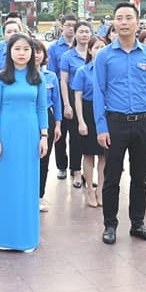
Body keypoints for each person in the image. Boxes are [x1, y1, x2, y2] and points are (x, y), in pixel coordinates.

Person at [93, 2, 146, 245]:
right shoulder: (104, 56)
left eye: (128, 17)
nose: (123, 22)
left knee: (140, 176)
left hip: (143, 122)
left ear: (137, 22)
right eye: (119, 17)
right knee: (112, 176)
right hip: (115, 122)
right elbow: (99, 92)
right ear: (113, 22)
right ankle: (110, 225)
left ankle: (138, 223)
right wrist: (101, 127)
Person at [0, 34, 48, 251]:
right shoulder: (1, 78)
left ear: (32, 53)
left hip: (30, 136)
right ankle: (5, 238)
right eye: (17, 49)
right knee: (8, 186)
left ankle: (26, 238)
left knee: (27, 186)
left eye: (26, 49)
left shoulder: (38, 78)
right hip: (7, 137)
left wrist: (44, 136)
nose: (21, 53)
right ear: (9, 52)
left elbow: (42, 108)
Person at [73, 36, 108, 208]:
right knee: (88, 154)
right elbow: (78, 98)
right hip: (88, 111)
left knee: (104, 155)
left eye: (103, 47)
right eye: (96, 47)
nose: (99, 50)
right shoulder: (83, 71)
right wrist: (80, 121)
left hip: (107, 112)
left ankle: (100, 190)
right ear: (90, 50)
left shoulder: (111, 69)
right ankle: (89, 190)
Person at [59, 21, 92, 188]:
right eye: (81, 31)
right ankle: (76, 171)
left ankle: (90, 173)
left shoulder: (95, 54)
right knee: (76, 137)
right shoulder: (68, 56)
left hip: (92, 99)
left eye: (87, 31)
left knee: (91, 136)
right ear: (76, 34)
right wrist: (66, 104)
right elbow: (63, 81)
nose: (84, 34)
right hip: (73, 97)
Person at [46, 14, 77, 181]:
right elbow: (51, 73)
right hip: (60, 92)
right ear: (62, 26)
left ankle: (75, 167)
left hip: (78, 94)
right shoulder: (54, 48)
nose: (71, 28)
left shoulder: (82, 46)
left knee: (77, 134)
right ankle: (62, 166)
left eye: (74, 25)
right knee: (60, 133)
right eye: (68, 25)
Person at [34, 40, 62, 212]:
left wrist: (58, 125)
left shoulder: (51, 76)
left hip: (48, 119)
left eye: (40, 52)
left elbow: (57, 102)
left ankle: (39, 195)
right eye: (34, 51)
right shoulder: (22, 76)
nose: (36, 55)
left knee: (44, 159)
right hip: (28, 120)